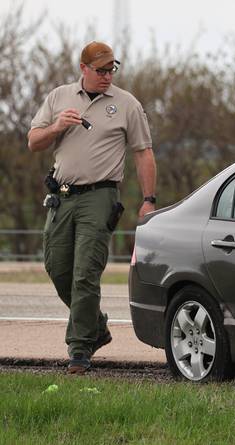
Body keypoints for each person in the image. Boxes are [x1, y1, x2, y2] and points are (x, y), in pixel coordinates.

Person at [27, 41, 157, 374]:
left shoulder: (126, 104)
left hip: (100, 197)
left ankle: (80, 349)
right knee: (58, 269)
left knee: (86, 273)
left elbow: (143, 152)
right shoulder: (59, 97)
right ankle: (96, 326)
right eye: (100, 70)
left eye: (112, 69)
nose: (107, 76)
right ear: (83, 69)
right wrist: (57, 126)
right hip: (62, 196)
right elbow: (33, 141)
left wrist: (148, 199)